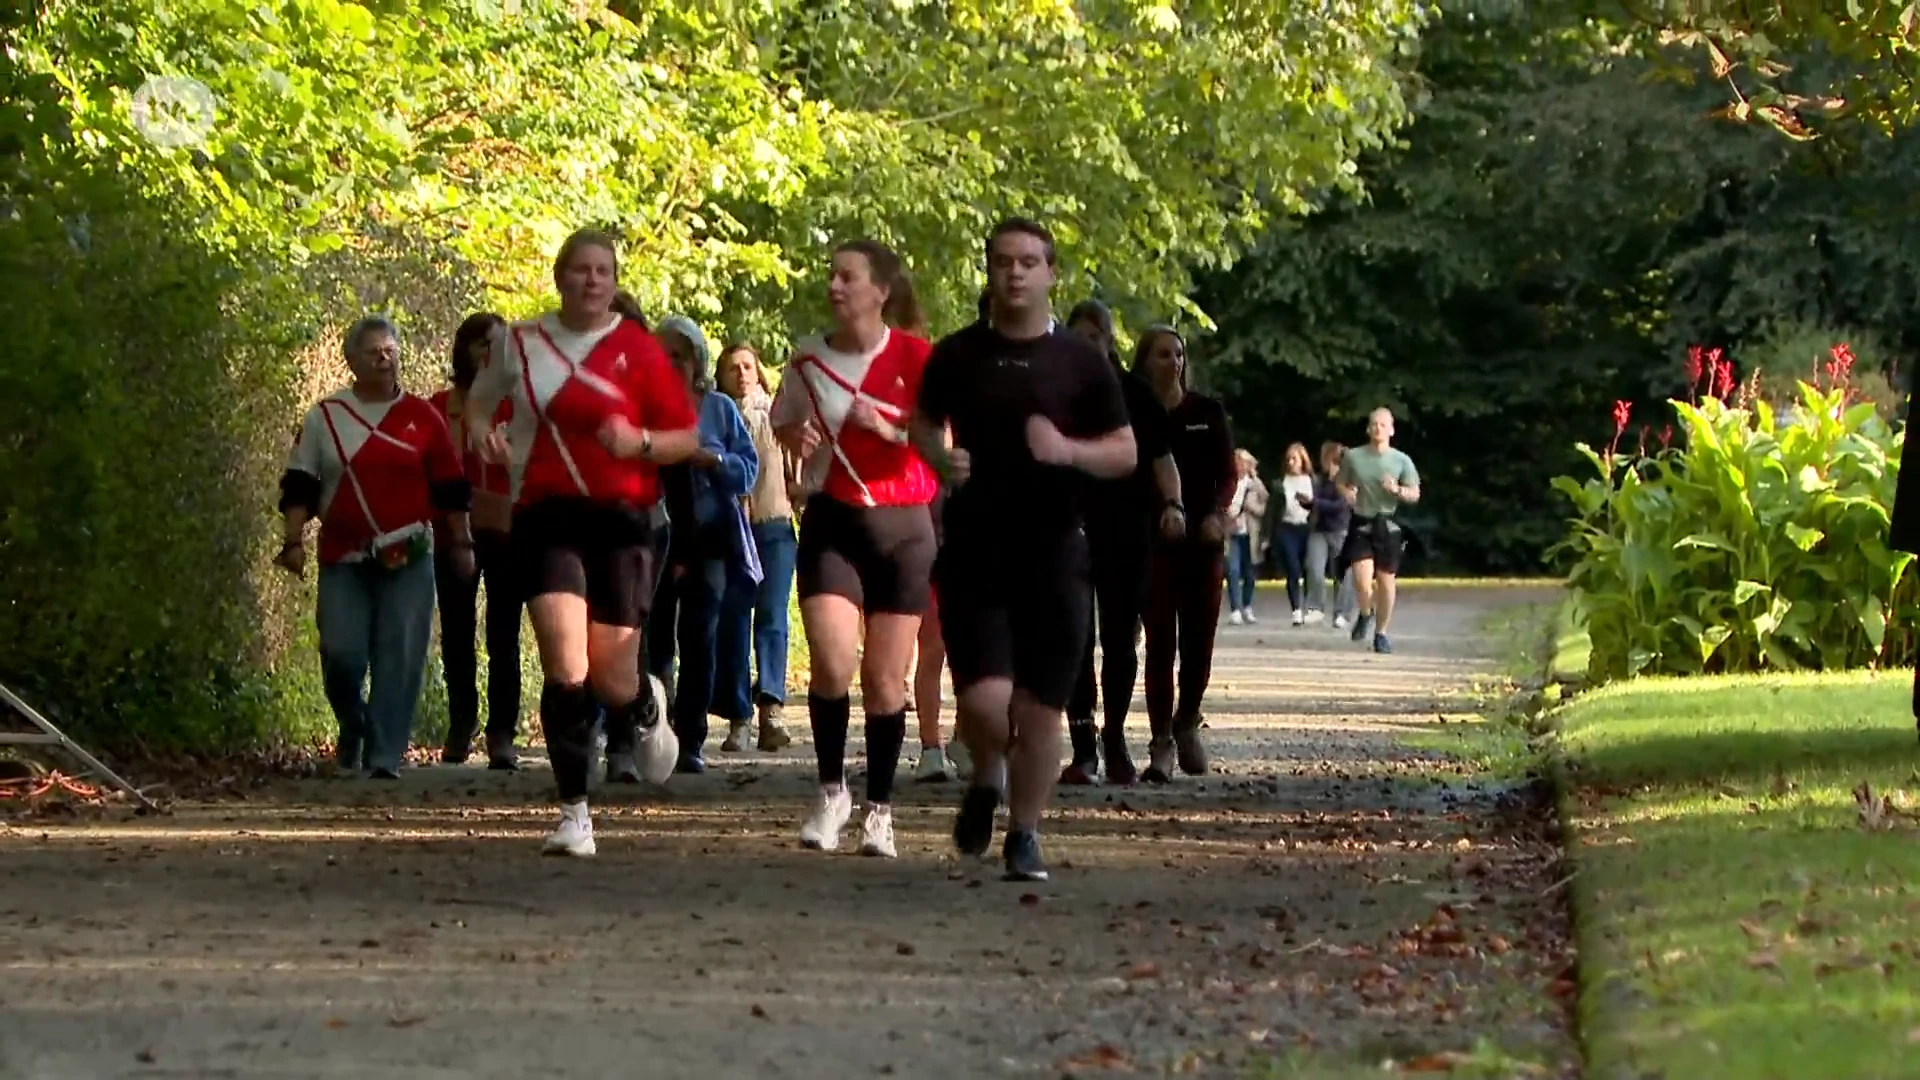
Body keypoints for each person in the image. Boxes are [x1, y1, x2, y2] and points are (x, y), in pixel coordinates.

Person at [911, 217, 1138, 881]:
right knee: (984, 705)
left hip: (1057, 552)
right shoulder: (957, 355)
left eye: (1029, 262)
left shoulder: (1082, 362)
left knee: (1041, 710)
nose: (1016, 273)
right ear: (990, 271)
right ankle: (988, 771)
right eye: (1004, 262)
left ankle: (1026, 834)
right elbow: (921, 422)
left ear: (1050, 273)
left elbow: (1125, 450)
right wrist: (937, 455)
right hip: (976, 549)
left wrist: (1068, 451)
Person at [464, 228, 700, 857]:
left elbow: (686, 437)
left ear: (615, 282)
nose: (592, 281)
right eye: (580, 270)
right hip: (546, 513)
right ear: (559, 276)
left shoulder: (639, 350)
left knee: (612, 678)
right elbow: (478, 402)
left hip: (623, 518)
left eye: (603, 271)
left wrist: (639, 444)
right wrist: (485, 433)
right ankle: (574, 813)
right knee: (566, 665)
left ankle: (645, 704)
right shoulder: (521, 342)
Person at [772, 240, 938, 859]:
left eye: (848, 277)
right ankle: (831, 791)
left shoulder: (918, 358)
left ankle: (881, 811)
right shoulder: (808, 359)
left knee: (884, 679)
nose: (835, 287)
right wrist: (796, 432)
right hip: (834, 521)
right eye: (832, 276)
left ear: (881, 291)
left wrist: (886, 427)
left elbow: (942, 439)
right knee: (834, 664)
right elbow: (784, 421)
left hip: (904, 525)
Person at [276, 315, 474, 779]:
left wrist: (462, 542)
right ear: (351, 362)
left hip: (409, 554)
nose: (384, 359)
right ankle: (353, 722)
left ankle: (385, 754)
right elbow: (300, 484)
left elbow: (449, 487)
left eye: (390, 350)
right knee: (341, 651)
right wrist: (292, 541)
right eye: (373, 352)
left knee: (401, 649)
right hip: (344, 554)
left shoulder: (423, 417)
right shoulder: (326, 417)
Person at [1059, 298, 1181, 788]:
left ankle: (1114, 740)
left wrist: (1174, 506)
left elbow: (1162, 460)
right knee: (1073, 640)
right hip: (1065, 529)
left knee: (1119, 640)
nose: (1088, 346)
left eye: (1097, 337)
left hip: (1126, 530)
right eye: (1079, 338)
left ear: (1111, 341)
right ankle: (1084, 745)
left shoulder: (1135, 394)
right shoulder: (1053, 393)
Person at [645, 315, 760, 774]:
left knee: (700, 636)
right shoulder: (644, 408)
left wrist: (712, 460)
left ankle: (691, 738)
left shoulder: (718, 408)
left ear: (697, 361)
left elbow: (747, 470)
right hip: (656, 538)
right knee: (653, 642)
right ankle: (650, 732)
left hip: (711, 539)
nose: (671, 364)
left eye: (680, 356)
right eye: (663, 356)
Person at [1135, 327, 1234, 783]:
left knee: (1199, 642)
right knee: (1159, 643)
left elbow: (1227, 474)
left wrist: (1216, 513)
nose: (1172, 362)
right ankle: (1160, 741)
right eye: (1161, 355)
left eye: (1178, 354)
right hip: (1154, 541)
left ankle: (1188, 717)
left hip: (1204, 542)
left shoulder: (1207, 412)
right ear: (1144, 360)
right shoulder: (1135, 413)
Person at [429, 312, 525, 769]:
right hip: (453, 528)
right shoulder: (441, 406)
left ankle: (502, 732)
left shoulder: (521, 405)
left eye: (501, 344)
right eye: (484, 343)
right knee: (457, 632)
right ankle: (461, 721)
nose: (492, 352)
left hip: (508, 529)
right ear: (464, 349)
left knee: (504, 632)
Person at [714, 342, 798, 753]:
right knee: (733, 619)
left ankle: (771, 708)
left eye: (748, 366)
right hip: (731, 531)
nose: (743, 374)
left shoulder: (776, 417)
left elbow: (796, 465)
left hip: (776, 526)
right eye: (733, 368)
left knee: (772, 616)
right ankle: (738, 716)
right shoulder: (717, 420)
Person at [1339, 407, 1422, 654]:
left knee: (1386, 582)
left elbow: (1415, 493)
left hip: (1388, 525)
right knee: (1362, 582)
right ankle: (1365, 612)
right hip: (1362, 521)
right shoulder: (1353, 457)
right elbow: (1341, 483)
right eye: (1374, 424)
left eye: (1383, 425)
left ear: (1392, 430)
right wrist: (1348, 494)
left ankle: (1381, 633)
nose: (1378, 428)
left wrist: (1397, 490)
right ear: (1368, 428)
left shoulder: (1401, 460)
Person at [1304, 441, 1357, 629]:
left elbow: (1339, 506)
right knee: (1315, 568)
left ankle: (1342, 613)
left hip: (1340, 528)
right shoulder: (1320, 479)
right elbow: (1316, 500)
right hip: (1319, 528)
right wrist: (1307, 502)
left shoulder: (1347, 480)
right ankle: (1315, 608)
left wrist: (1316, 502)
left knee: (1342, 574)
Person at [1268, 445, 1313, 626]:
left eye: (1295, 458)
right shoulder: (1280, 483)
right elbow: (1271, 512)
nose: (1291, 462)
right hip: (1286, 528)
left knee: (1309, 568)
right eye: (1288, 458)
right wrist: (1268, 536)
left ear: (1303, 460)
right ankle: (1296, 609)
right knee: (1293, 569)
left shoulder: (1311, 481)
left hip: (1306, 528)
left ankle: (1310, 607)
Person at [1224, 449, 1270, 626]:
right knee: (1233, 571)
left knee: (1250, 572)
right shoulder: (1227, 482)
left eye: (1244, 462)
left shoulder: (1254, 484)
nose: (1240, 465)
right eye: (1238, 461)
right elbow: (1220, 503)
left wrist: (1252, 507)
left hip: (1250, 534)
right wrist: (1228, 517)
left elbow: (1266, 504)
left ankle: (1247, 606)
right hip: (1231, 533)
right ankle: (1235, 610)